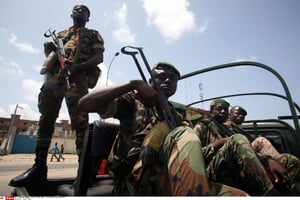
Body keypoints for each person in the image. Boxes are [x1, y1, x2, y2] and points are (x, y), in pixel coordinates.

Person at [78, 62, 248, 196]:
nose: (168, 80)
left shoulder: (176, 116)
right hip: (136, 180)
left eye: (173, 78)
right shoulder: (134, 100)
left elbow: (192, 154)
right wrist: (133, 84)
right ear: (150, 81)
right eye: (162, 76)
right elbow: (85, 103)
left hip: (172, 177)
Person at [9, 4, 105, 187]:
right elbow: (50, 54)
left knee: (80, 125)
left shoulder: (93, 34)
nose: (79, 12)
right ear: (71, 15)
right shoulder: (61, 34)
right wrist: (51, 53)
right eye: (76, 10)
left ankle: (84, 173)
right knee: (45, 120)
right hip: (54, 79)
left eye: (84, 10)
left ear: (88, 17)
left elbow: (99, 57)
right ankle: (38, 168)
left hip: (77, 80)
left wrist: (78, 67)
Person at [194, 98, 284, 195]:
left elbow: (247, 150)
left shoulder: (229, 129)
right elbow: (194, 155)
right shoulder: (202, 127)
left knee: (289, 160)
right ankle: (270, 190)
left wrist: (267, 159)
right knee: (237, 139)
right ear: (211, 111)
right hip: (212, 171)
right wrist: (217, 144)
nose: (223, 111)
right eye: (219, 109)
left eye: (226, 109)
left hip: (235, 167)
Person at [228, 105, 300, 194]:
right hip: (238, 155)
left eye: (243, 115)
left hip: (250, 153)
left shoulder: (238, 128)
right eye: (237, 113)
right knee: (260, 140)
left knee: (291, 159)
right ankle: (274, 162)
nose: (240, 116)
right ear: (230, 114)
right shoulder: (227, 125)